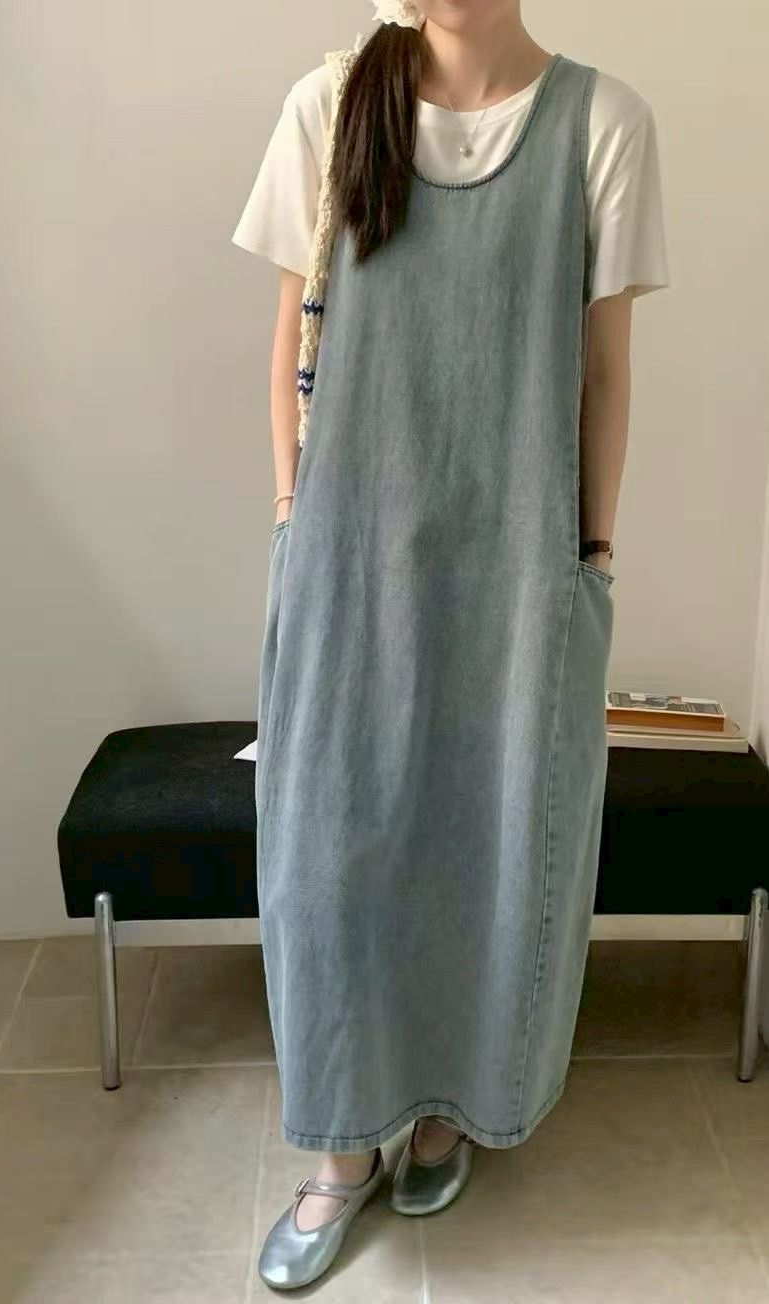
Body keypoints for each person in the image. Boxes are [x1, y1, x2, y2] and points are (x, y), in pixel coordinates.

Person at [232, 0, 668, 1290]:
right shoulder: (330, 104)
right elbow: (289, 332)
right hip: (346, 552)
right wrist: (292, 518)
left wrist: (592, 556)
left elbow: (603, 366)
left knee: (490, 847)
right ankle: (339, 1150)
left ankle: (444, 1112)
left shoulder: (604, 123)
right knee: (326, 857)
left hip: (520, 563)